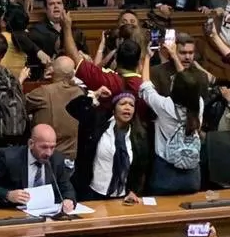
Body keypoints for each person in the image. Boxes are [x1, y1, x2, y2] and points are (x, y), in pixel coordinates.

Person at [66, 88, 151, 202]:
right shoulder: (97, 124)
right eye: (122, 103)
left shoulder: (139, 135)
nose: (127, 107)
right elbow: (72, 108)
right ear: (114, 108)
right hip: (91, 192)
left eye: (131, 105)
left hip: (121, 196)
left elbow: (140, 168)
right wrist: (94, 95)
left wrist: (133, 190)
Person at [139, 61, 205, 195]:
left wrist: (146, 58)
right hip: (192, 176)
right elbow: (189, 84)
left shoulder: (165, 106)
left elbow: (146, 86)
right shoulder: (199, 104)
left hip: (165, 173)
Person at [0, 125, 76, 212]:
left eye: (52, 147)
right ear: (31, 143)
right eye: (44, 147)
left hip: (46, 215)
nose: (49, 153)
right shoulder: (9, 158)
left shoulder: (57, 159)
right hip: (14, 213)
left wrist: (69, 200)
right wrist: (7, 194)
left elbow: (67, 188)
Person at [24, 57, 82, 160]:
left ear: (51, 70)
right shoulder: (80, 92)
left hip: (47, 157)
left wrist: (20, 80)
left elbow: (18, 105)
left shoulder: (44, 93)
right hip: (73, 157)